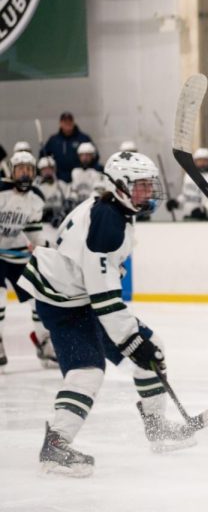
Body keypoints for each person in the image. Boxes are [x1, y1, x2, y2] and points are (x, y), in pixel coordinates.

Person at [19, 152, 197, 476]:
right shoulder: (108, 223)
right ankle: (55, 445)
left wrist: (137, 344)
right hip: (62, 300)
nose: (149, 193)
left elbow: (98, 282)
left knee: (151, 345)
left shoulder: (113, 211)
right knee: (88, 371)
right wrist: (131, 341)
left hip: (78, 295)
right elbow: (104, 298)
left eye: (149, 185)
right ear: (119, 186)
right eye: (141, 186)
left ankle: (157, 429)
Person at [0, 151, 44, 367]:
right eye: (21, 169)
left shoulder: (36, 198)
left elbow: (34, 232)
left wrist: (40, 250)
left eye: (28, 169)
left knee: (38, 297)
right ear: (12, 171)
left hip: (17, 254)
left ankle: (43, 341)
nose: (25, 174)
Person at [40, 112, 94, 184]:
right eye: (65, 121)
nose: (68, 123)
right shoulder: (54, 140)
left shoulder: (83, 138)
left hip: (80, 178)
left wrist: (87, 170)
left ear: (73, 122)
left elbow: (94, 156)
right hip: (59, 179)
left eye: (70, 121)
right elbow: (43, 156)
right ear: (60, 123)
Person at [170, 147, 208, 220]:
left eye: (205, 160)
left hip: (206, 219)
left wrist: (204, 210)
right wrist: (177, 203)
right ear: (195, 161)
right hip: (188, 217)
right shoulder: (188, 176)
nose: (202, 163)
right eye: (200, 160)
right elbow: (186, 195)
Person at [35, 156, 73, 229]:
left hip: (61, 223)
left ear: (54, 170)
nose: (47, 172)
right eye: (44, 169)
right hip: (44, 225)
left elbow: (70, 202)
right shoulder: (37, 188)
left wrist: (62, 214)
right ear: (40, 171)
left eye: (49, 169)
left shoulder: (62, 185)